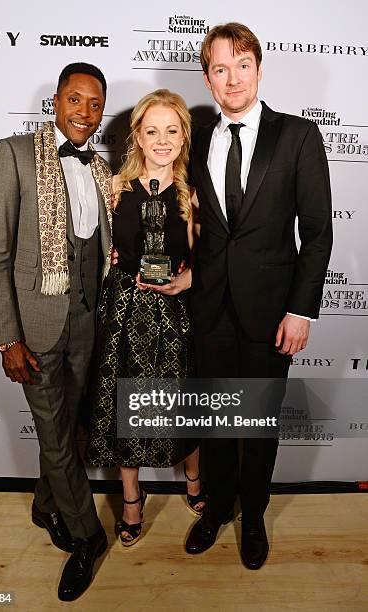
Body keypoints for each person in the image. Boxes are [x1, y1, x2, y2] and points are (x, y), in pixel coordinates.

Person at [185, 23, 333, 569]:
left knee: (259, 421)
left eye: (241, 65)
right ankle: (218, 507)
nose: (232, 79)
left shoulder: (296, 135)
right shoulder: (194, 136)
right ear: (207, 79)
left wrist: (300, 309)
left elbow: (318, 232)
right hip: (210, 307)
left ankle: (252, 517)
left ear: (259, 69)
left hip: (272, 311)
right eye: (219, 69)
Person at [0, 62, 112, 602]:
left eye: (95, 103)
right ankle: (87, 537)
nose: (85, 112)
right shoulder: (11, 154)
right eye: (75, 99)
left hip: (87, 321)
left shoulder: (102, 169)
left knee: (71, 430)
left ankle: (44, 505)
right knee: (55, 435)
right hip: (34, 327)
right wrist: (7, 339)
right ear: (55, 100)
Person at [86, 89, 205, 546]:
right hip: (124, 311)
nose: (162, 140)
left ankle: (194, 481)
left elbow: (205, 258)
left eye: (171, 131)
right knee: (128, 405)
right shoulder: (114, 188)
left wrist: (188, 280)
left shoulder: (191, 194)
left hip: (174, 313)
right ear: (136, 134)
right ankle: (132, 498)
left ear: (183, 137)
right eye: (152, 130)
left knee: (184, 403)